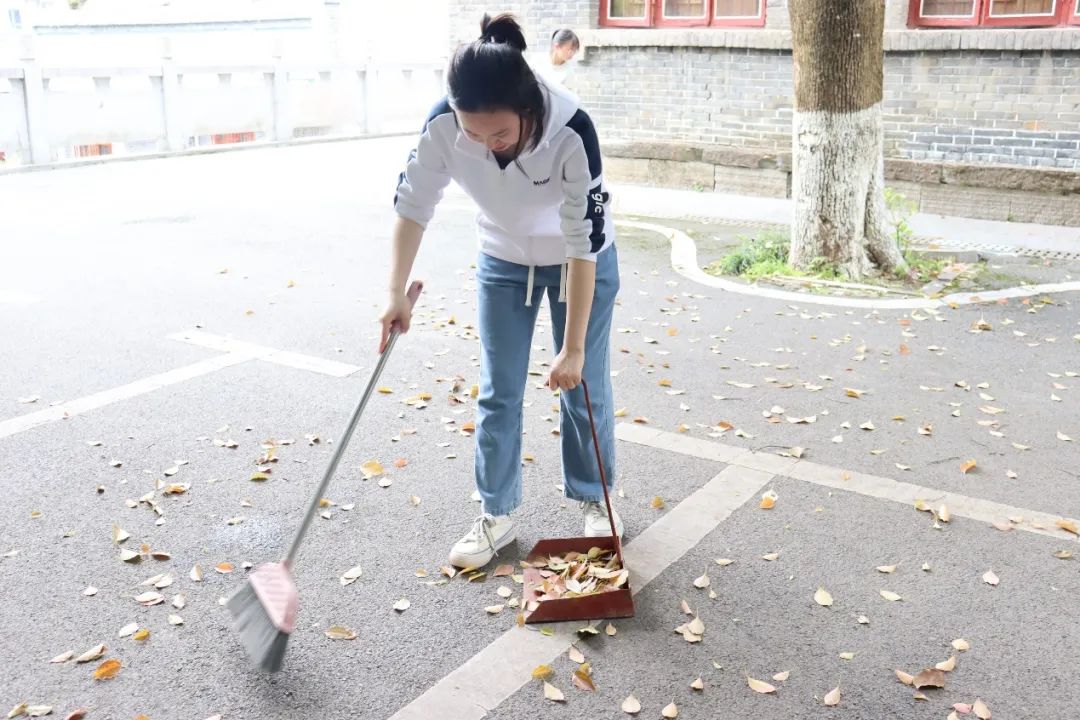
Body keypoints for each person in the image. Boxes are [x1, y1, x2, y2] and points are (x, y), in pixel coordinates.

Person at [381, 13, 620, 569]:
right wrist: (394, 292)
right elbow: (413, 205)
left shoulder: (571, 128)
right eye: (474, 134)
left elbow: (582, 242)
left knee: (583, 384)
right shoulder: (443, 124)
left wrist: (573, 349)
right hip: (503, 257)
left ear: (527, 110)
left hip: (577, 260)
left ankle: (595, 496)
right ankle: (497, 512)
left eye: (500, 135)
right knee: (498, 392)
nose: (488, 147)